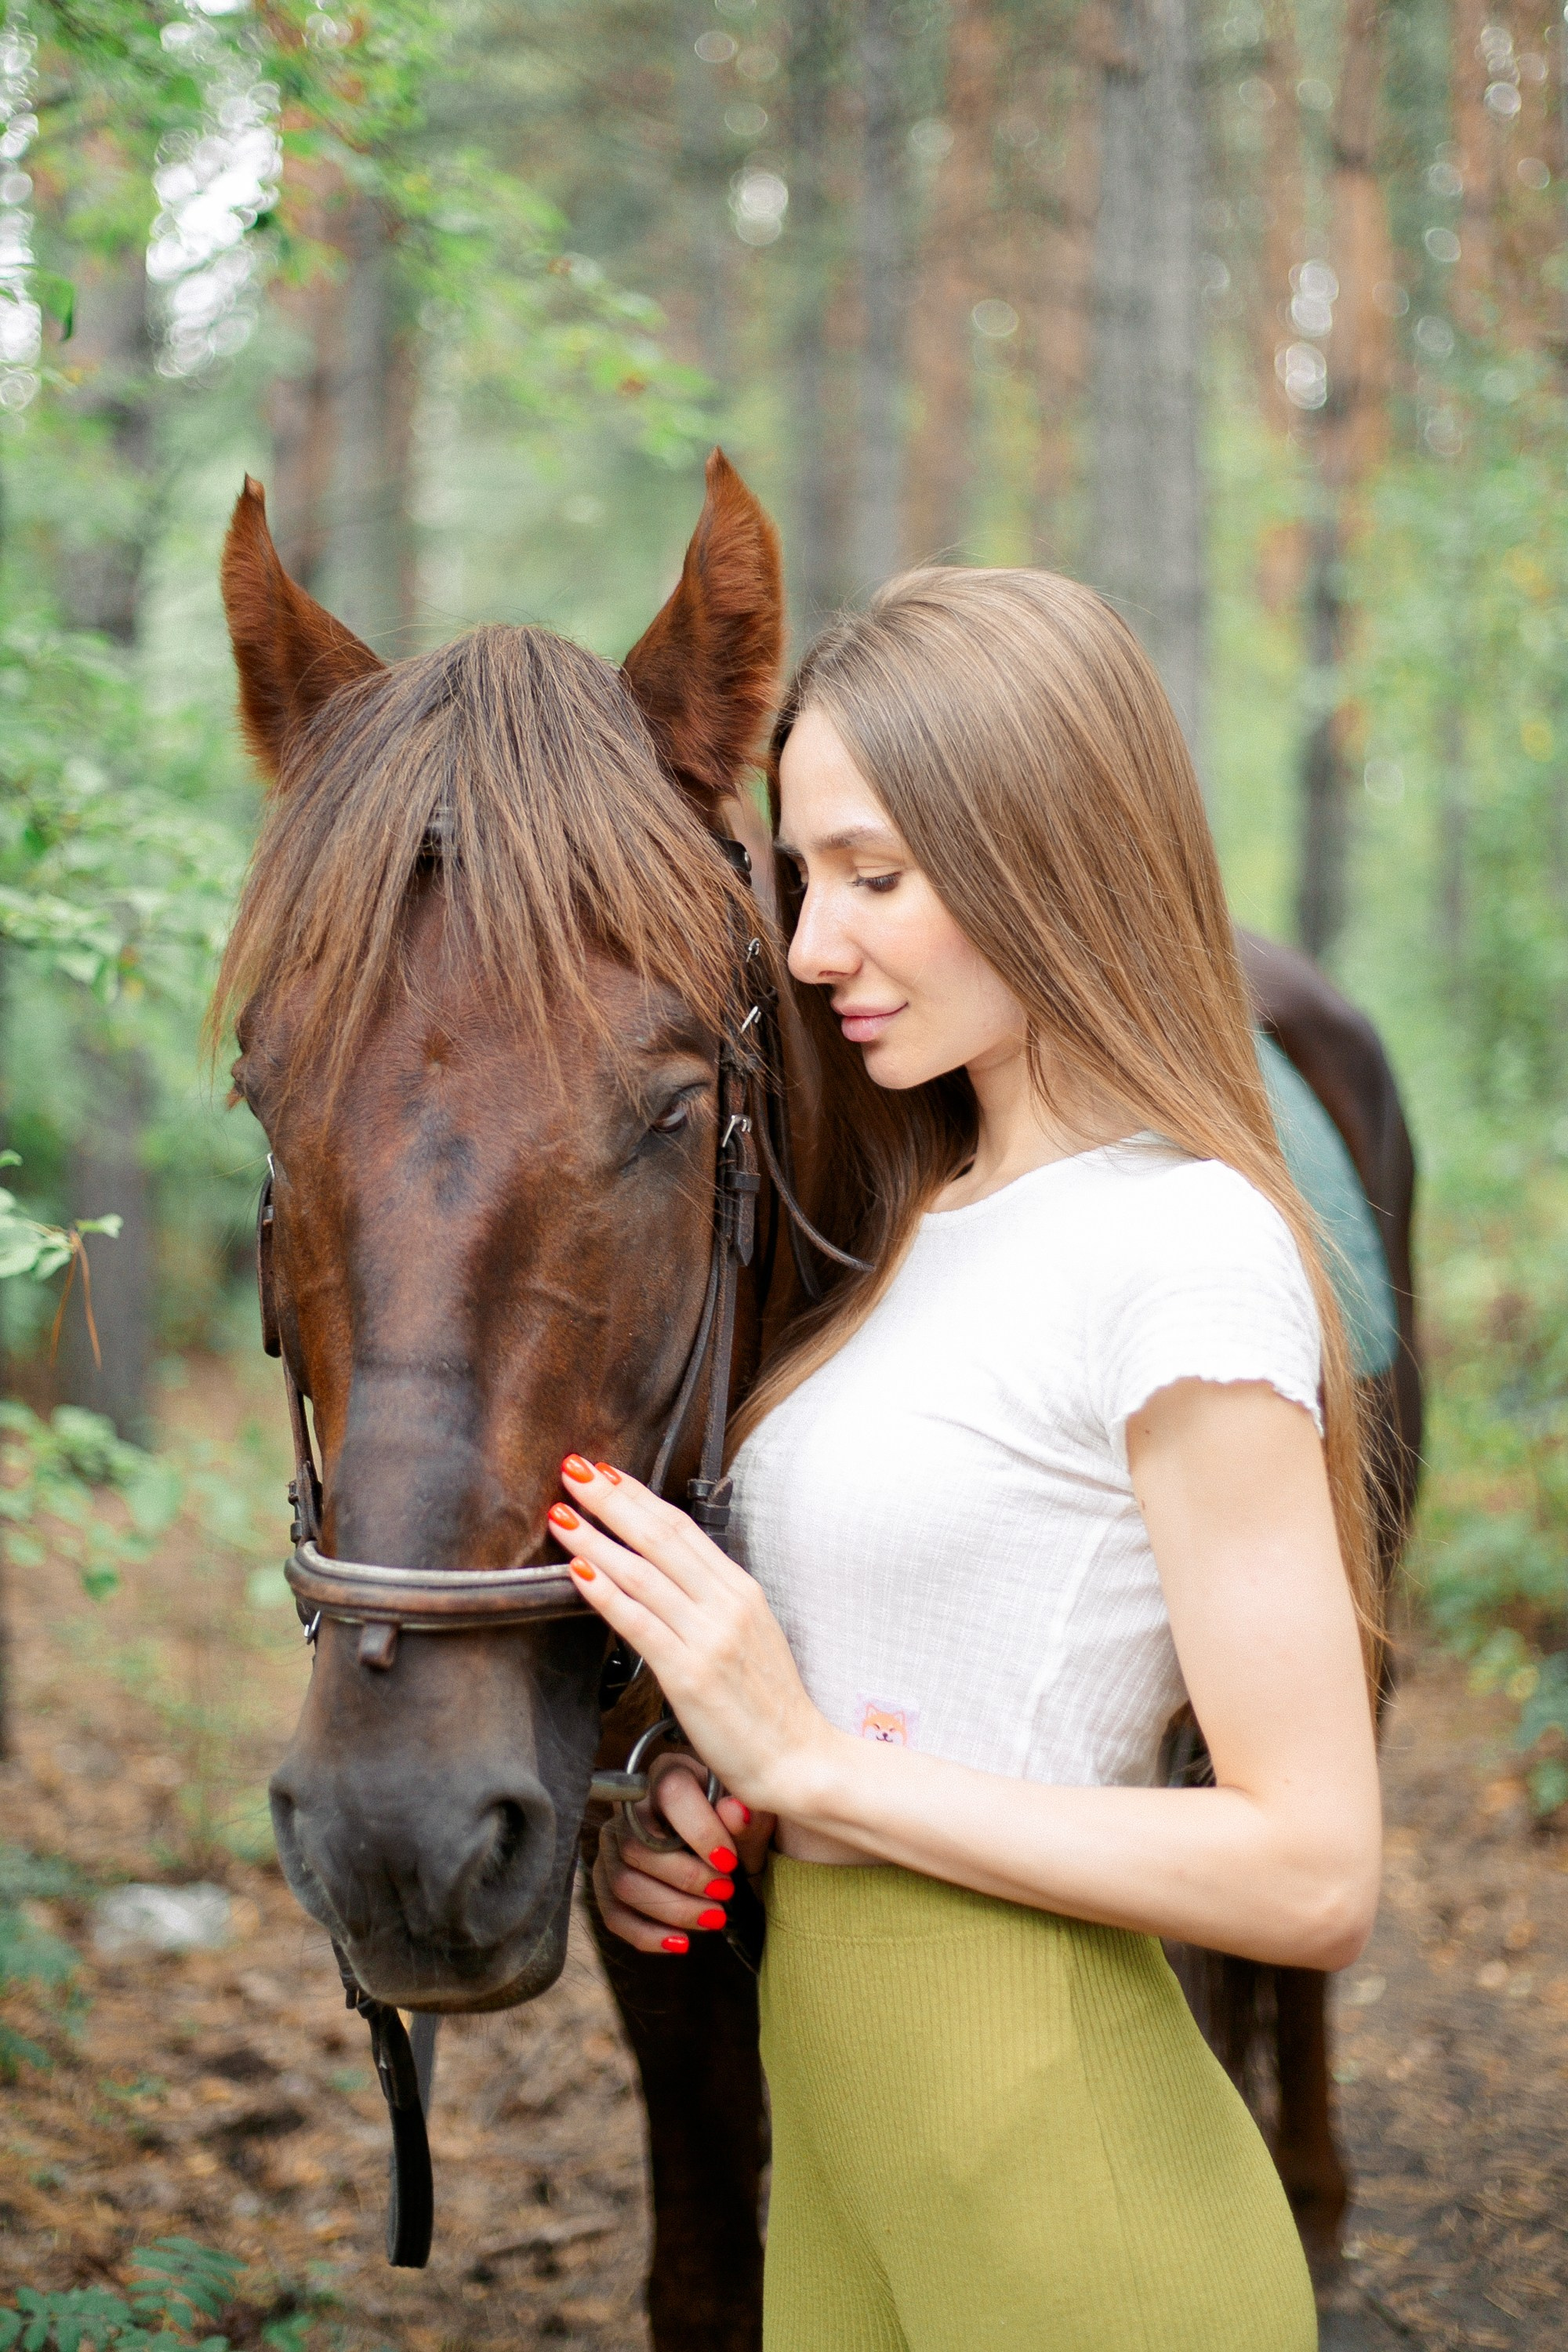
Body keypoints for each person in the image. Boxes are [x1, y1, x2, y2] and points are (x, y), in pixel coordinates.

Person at [546, 566, 1381, 2351]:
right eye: (797, 878)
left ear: (1044, 851)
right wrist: (725, 1813)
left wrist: (814, 1770)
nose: (808, 944)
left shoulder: (1185, 1248)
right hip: (848, 2196)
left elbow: (1312, 1873)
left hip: (1079, 2220)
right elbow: (925, 1697)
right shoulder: (917, 1229)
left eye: (874, 877)